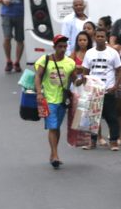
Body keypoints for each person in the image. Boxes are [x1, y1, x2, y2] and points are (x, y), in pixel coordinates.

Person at [34, 34, 84, 168]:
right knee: (53, 127)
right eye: (60, 46)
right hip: (48, 99)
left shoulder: (70, 63)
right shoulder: (44, 60)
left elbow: (75, 81)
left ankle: (53, 153)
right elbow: (38, 77)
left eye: (64, 46)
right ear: (54, 47)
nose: (62, 49)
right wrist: (39, 93)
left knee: (56, 127)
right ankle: (55, 155)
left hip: (63, 100)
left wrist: (82, 80)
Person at [82, 29, 121, 150]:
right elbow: (85, 71)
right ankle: (92, 141)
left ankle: (113, 141)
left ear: (106, 38)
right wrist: (86, 87)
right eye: (98, 36)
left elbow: (120, 69)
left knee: (112, 117)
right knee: (93, 118)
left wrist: (115, 86)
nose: (100, 38)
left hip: (108, 90)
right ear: (94, 38)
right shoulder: (89, 53)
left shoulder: (113, 53)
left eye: (102, 36)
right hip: (94, 91)